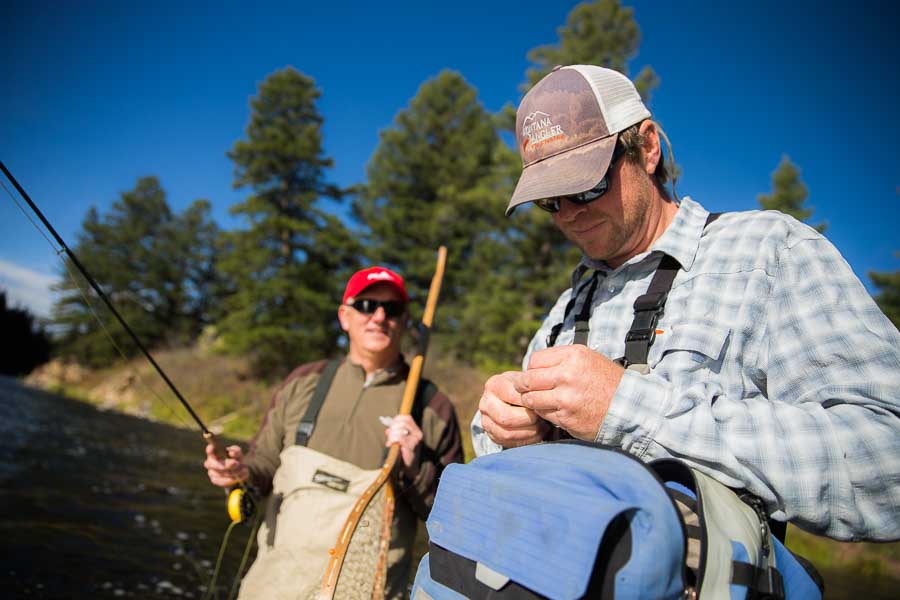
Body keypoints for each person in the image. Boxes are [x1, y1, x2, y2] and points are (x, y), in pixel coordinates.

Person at [472, 64, 900, 542]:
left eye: (586, 185)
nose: (570, 213)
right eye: (550, 200)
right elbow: (496, 451)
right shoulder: (569, 306)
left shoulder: (767, 251)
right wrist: (505, 426)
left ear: (647, 147)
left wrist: (629, 410)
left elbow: (886, 457)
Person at [205, 266, 463, 598]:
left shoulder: (433, 407)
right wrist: (241, 472)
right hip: (273, 585)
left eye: (392, 308)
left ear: (404, 321)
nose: (379, 316)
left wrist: (415, 468)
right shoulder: (303, 383)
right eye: (367, 306)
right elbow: (264, 464)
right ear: (344, 316)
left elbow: (452, 523)